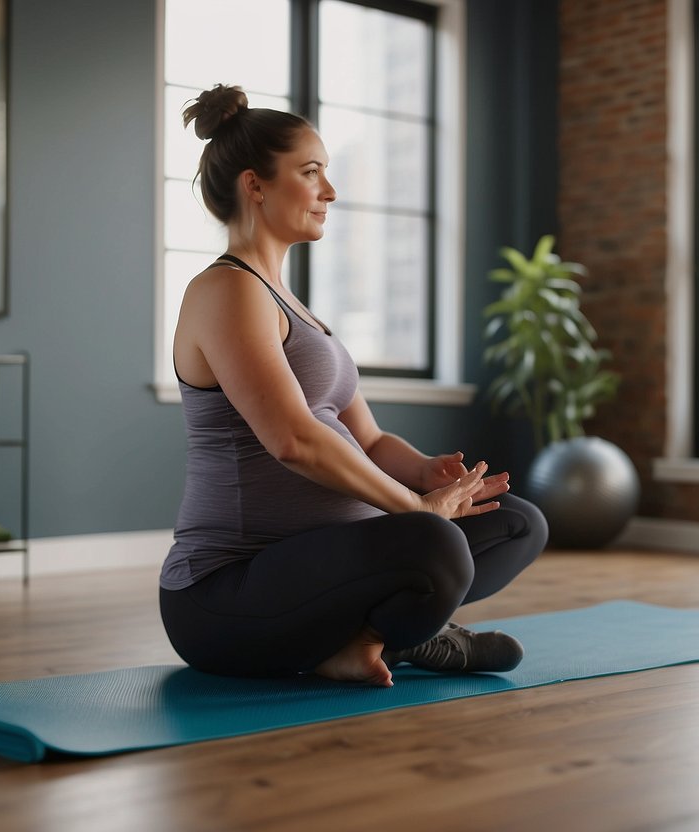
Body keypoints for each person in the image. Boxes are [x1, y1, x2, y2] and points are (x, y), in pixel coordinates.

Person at [160, 84, 548, 688]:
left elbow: (365, 439)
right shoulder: (225, 291)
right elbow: (295, 439)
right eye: (311, 173)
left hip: (328, 563)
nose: (330, 192)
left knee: (518, 523)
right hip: (227, 592)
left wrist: (426, 474)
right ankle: (387, 635)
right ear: (254, 184)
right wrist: (419, 513)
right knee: (437, 546)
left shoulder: (292, 304)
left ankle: (360, 641)